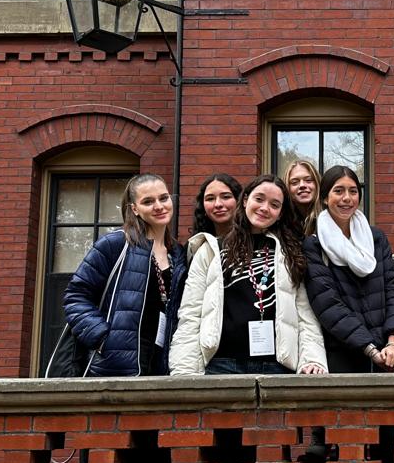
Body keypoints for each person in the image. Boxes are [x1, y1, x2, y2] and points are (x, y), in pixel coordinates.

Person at [304, 165, 394, 463]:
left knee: (385, 439)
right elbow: (327, 304)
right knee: (344, 438)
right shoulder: (314, 246)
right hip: (345, 355)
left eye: (352, 190)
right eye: (338, 191)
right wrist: (369, 347)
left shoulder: (376, 238)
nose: (346, 197)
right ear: (324, 198)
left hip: (387, 356)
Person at [170, 175, 328, 377]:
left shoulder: (290, 253)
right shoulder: (211, 250)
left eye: (274, 204)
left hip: (278, 367)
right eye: (259, 199)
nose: (264, 208)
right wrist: (184, 371)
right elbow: (190, 314)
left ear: (280, 214)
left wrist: (312, 359)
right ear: (245, 201)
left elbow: (305, 314)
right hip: (221, 366)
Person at [64, 173, 188, 376]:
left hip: (161, 366)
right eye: (148, 201)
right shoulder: (116, 244)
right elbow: (75, 297)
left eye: (163, 198)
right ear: (135, 209)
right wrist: (102, 338)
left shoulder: (177, 254)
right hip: (113, 366)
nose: (159, 206)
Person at [284, 159, 319, 231]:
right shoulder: (280, 223)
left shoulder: (330, 218)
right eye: (294, 182)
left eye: (308, 180)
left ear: (317, 184)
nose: (302, 185)